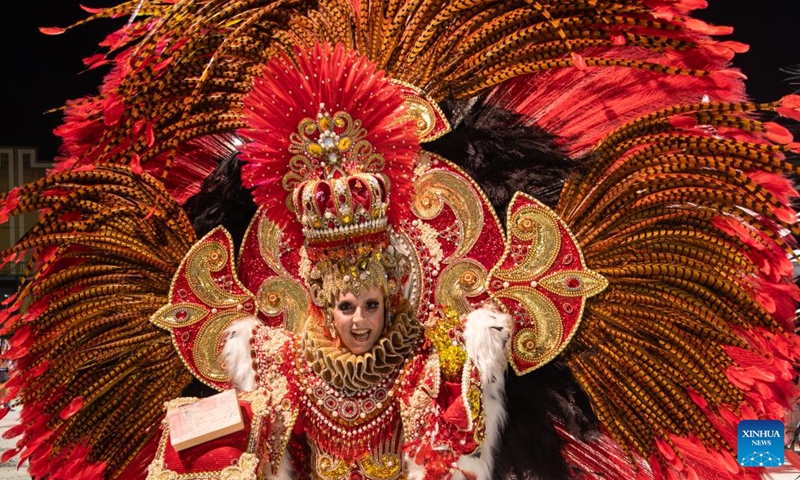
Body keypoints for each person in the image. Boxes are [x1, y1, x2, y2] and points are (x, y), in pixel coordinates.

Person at [1, 2, 799, 480]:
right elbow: (217, 434)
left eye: (367, 304)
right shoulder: (278, 363)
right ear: (311, 298)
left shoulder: (438, 362)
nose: (355, 319)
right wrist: (192, 440)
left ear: (398, 295)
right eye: (343, 305)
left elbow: (462, 444)